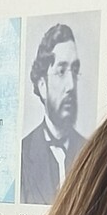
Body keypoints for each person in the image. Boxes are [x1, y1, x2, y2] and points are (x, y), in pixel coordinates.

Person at [19, 24, 85, 202]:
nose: (71, 85)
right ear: (42, 86)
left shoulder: (90, 150)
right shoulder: (22, 154)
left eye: (74, 70)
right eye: (61, 71)